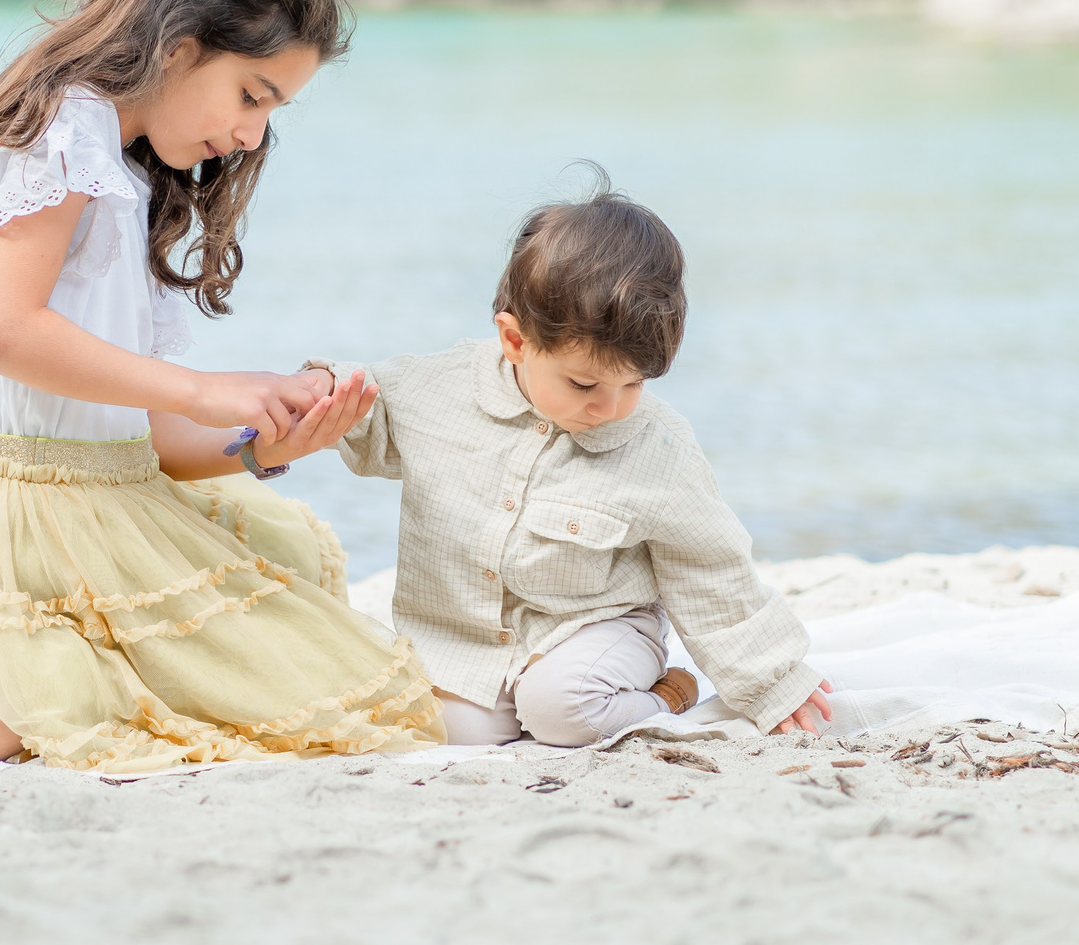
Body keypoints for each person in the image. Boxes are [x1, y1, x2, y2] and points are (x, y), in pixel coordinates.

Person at [0, 0, 445, 771]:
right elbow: (0, 331)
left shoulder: (118, 165)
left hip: (99, 501)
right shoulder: (64, 126)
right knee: (370, 700)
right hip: (30, 527)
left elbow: (135, 438)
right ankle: (46, 665)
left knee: (295, 574)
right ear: (180, 44)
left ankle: (55, 675)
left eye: (272, 110)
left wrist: (266, 439)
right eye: (251, 93)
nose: (250, 133)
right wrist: (206, 385)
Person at [263, 174, 832, 746]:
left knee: (561, 707)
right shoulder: (438, 391)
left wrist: (773, 680)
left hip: (596, 628)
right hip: (467, 641)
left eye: (632, 384)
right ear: (516, 342)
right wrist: (314, 392)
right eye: (584, 383)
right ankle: (522, 710)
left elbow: (710, 569)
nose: (609, 407)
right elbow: (365, 410)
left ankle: (668, 691)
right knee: (442, 728)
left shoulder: (657, 446)